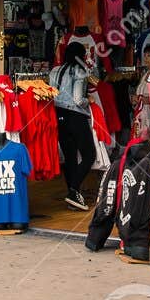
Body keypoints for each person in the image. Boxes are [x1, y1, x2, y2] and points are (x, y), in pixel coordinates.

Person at [51, 43, 97, 211]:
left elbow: (52, 95)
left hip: (59, 115)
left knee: (69, 157)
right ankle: (73, 190)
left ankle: (73, 196)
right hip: (76, 116)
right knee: (89, 154)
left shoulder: (55, 70)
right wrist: (88, 100)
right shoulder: (80, 71)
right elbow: (78, 99)